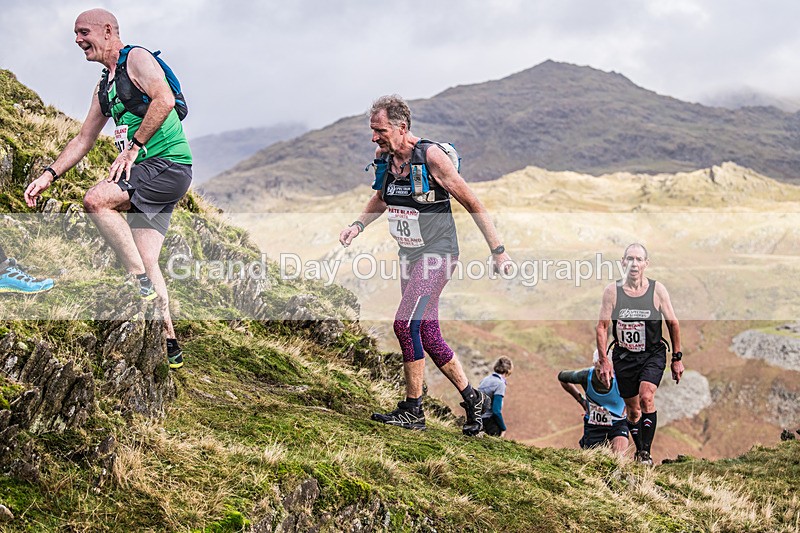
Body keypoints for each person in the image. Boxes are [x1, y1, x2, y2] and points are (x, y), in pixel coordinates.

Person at [23, 9, 192, 369]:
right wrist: (49, 174)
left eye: (84, 32)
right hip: (158, 170)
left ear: (108, 30)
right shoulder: (106, 86)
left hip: (167, 163)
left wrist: (134, 148)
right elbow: (84, 137)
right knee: (148, 259)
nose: (78, 40)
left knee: (96, 200)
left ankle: (141, 286)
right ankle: (170, 342)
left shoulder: (137, 58)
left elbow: (163, 100)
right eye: (75, 34)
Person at [339, 95, 512, 436]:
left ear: (402, 128)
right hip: (410, 256)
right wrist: (357, 225)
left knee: (405, 325)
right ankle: (473, 400)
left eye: (380, 130)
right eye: (372, 130)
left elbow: (473, 202)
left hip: (438, 254)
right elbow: (382, 196)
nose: (374, 137)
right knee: (428, 334)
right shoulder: (385, 159)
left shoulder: (430, 156)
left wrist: (499, 251)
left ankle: (413, 410)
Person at [596, 243, 684, 464]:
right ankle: (639, 451)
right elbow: (602, 327)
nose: (634, 264)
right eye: (630, 259)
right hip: (624, 357)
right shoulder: (612, 291)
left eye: (638, 259)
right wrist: (604, 361)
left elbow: (673, 323)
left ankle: (645, 452)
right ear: (622, 262)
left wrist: (676, 358)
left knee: (646, 397)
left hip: (652, 354)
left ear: (646, 264)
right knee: (633, 412)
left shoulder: (657, 290)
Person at [558, 350, 628, 454]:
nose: (602, 375)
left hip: (618, 424)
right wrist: (581, 401)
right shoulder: (585, 376)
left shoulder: (622, 377)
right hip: (594, 426)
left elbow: (640, 389)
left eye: (606, 372)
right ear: (594, 366)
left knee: (619, 456)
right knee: (593, 461)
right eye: (598, 371)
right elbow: (562, 377)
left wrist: (629, 406)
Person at [478, 357, 513, 437]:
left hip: (479, 421)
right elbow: (496, 411)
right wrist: (503, 428)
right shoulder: (500, 384)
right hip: (491, 423)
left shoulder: (484, 380)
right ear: (508, 370)